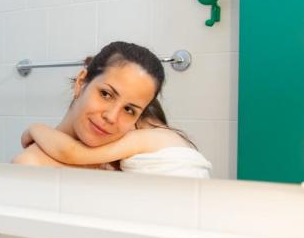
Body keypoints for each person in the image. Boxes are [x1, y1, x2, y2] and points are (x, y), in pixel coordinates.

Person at [13, 41, 212, 178]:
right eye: (106, 94)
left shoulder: (129, 164)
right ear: (81, 82)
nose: (111, 117)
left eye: (129, 110)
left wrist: (35, 129)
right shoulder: (31, 165)